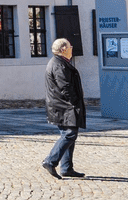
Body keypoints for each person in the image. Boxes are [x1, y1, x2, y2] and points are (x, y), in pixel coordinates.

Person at [41, 37, 86, 180]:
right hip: (64, 106)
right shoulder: (59, 65)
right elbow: (65, 87)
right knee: (69, 134)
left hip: (62, 105)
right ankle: (50, 161)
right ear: (64, 49)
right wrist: (75, 102)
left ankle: (66, 168)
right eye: (70, 47)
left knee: (67, 135)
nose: (72, 49)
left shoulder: (59, 62)